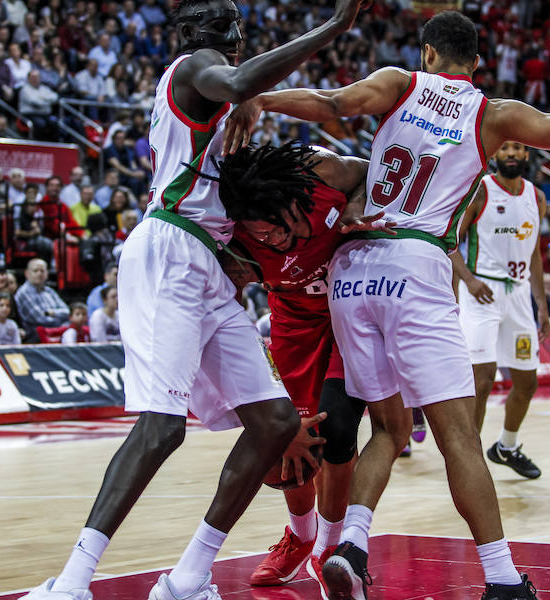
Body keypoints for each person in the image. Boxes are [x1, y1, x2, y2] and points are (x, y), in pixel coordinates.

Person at [224, 7, 550, 599]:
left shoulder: (400, 83)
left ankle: (349, 546)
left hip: (351, 273)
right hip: (416, 265)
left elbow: (334, 104)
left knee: (390, 432)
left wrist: (261, 98)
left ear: (427, 54)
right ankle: (501, 579)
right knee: (459, 441)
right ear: (476, 64)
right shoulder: (494, 115)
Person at [20, 0, 365, 596]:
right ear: (188, 33)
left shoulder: (225, 100)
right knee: (161, 427)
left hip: (206, 260)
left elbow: (245, 97)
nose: (231, 35)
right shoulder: (193, 67)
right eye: (218, 24)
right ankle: (71, 583)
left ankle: (187, 577)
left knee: (275, 420)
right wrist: (333, 28)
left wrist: (254, 102)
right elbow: (236, 78)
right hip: (171, 248)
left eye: (235, 23)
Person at [196, 142, 388, 593]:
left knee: (336, 433)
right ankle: (300, 537)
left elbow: (367, 171)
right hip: (294, 325)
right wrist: (267, 394)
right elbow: (227, 322)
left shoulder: (323, 174)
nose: (274, 240)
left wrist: (357, 209)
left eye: (279, 229)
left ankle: (330, 548)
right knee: (289, 443)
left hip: (349, 311)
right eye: (261, 236)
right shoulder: (236, 242)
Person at [451, 141, 549, 480]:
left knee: (527, 381)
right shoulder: (480, 190)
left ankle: (506, 446)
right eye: (504, 147)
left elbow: (534, 254)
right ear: (494, 156)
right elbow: (450, 241)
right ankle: (468, 457)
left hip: (520, 296)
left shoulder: (537, 198)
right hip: (481, 292)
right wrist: (468, 282)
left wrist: (542, 305)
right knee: (482, 378)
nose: (510, 153)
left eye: (517, 148)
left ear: (526, 155)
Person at [15, 258, 70, 340]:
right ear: (27, 273)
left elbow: (68, 311)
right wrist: (61, 321)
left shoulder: (49, 291)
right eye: (35, 271)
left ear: (47, 273)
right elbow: (40, 319)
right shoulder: (23, 293)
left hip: (57, 332)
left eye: (42, 271)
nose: (39, 274)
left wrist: (52, 313)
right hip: (36, 337)